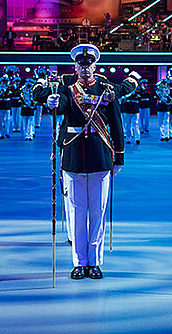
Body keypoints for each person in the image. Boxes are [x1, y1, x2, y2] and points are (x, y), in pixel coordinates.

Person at [44, 44, 125, 280]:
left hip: (100, 157)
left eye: (89, 64)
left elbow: (116, 125)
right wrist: (52, 104)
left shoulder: (106, 89)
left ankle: (95, 262)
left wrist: (118, 157)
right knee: (77, 213)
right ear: (75, 66)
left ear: (95, 66)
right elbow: (61, 107)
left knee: (98, 212)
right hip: (73, 157)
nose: (85, 68)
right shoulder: (68, 90)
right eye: (81, 64)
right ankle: (79, 262)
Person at [119, 72, 142, 145]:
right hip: (127, 109)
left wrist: (134, 93)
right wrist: (126, 96)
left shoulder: (138, 89)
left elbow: (140, 97)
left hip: (135, 109)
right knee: (127, 125)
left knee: (136, 124)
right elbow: (121, 99)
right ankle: (128, 138)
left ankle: (137, 138)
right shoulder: (125, 89)